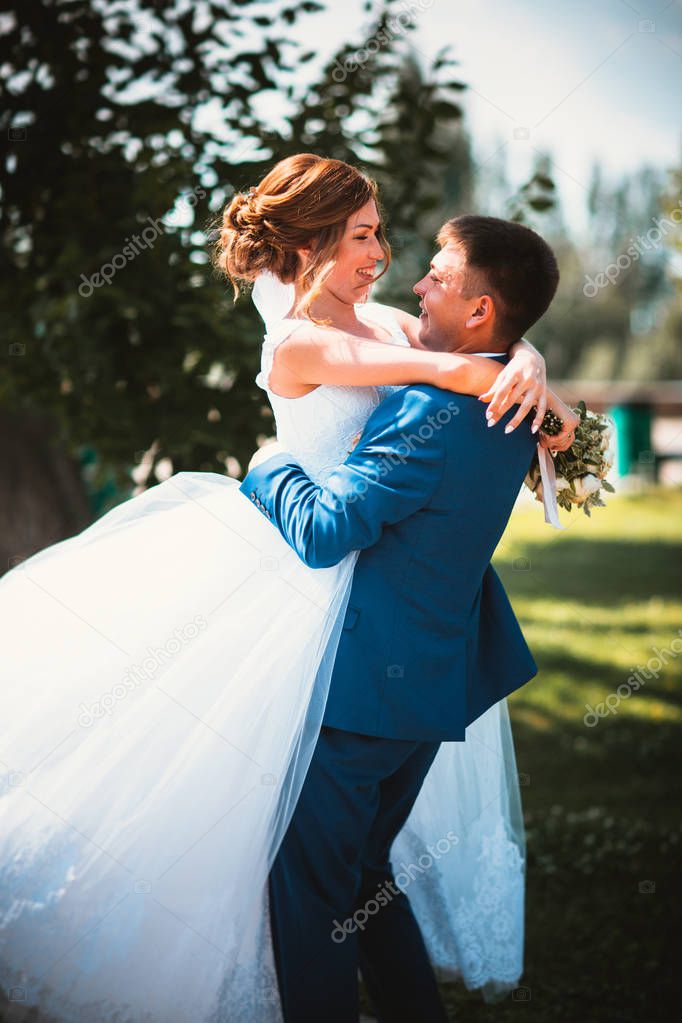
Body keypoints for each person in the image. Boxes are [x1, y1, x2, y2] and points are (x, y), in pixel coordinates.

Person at [0, 154, 575, 1022]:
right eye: (364, 236)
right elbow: (447, 361)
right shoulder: (305, 340)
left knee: (325, 876)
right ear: (310, 245)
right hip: (311, 606)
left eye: (382, 232)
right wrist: (493, 362)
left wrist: (521, 354)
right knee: (324, 859)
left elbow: (457, 343)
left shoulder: (391, 327)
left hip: (357, 611)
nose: (387, 255)